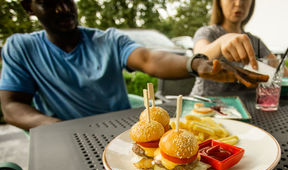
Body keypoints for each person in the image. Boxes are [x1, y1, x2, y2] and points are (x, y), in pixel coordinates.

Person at [0, 0, 267, 131]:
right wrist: (56, 127)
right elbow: (12, 106)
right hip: (62, 136)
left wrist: (197, 64)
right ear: (30, 8)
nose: (62, 8)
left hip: (118, 134)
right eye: (48, 1)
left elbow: (150, 59)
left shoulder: (109, 40)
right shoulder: (21, 48)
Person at [190, 0, 288, 96]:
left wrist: (264, 69)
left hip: (243, 108)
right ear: (219, 2)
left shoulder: (255, 41)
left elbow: (285, 75)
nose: (238, 3)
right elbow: (197, 59)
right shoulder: (207, 33)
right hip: (203, 105)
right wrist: (221, 43)